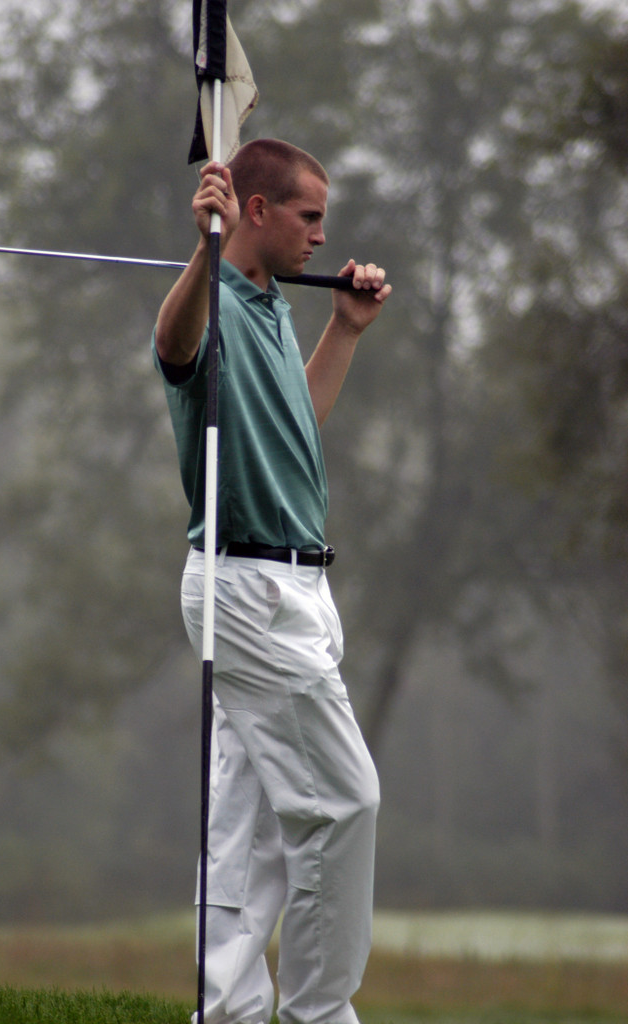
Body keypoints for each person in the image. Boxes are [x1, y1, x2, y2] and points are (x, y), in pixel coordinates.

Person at [152, 139, 391, 1024]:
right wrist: (204, 252)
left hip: (299, 588)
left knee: (247, 829)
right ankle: (320, 1015)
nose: (322, 239)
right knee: (345, 801)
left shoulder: (266, 307)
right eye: (308, 217)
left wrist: (344, 329)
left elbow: (297, 423)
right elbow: (171, 344)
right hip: (244, 585)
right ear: (256, 211)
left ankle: (228, 1012)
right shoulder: (211, 302)